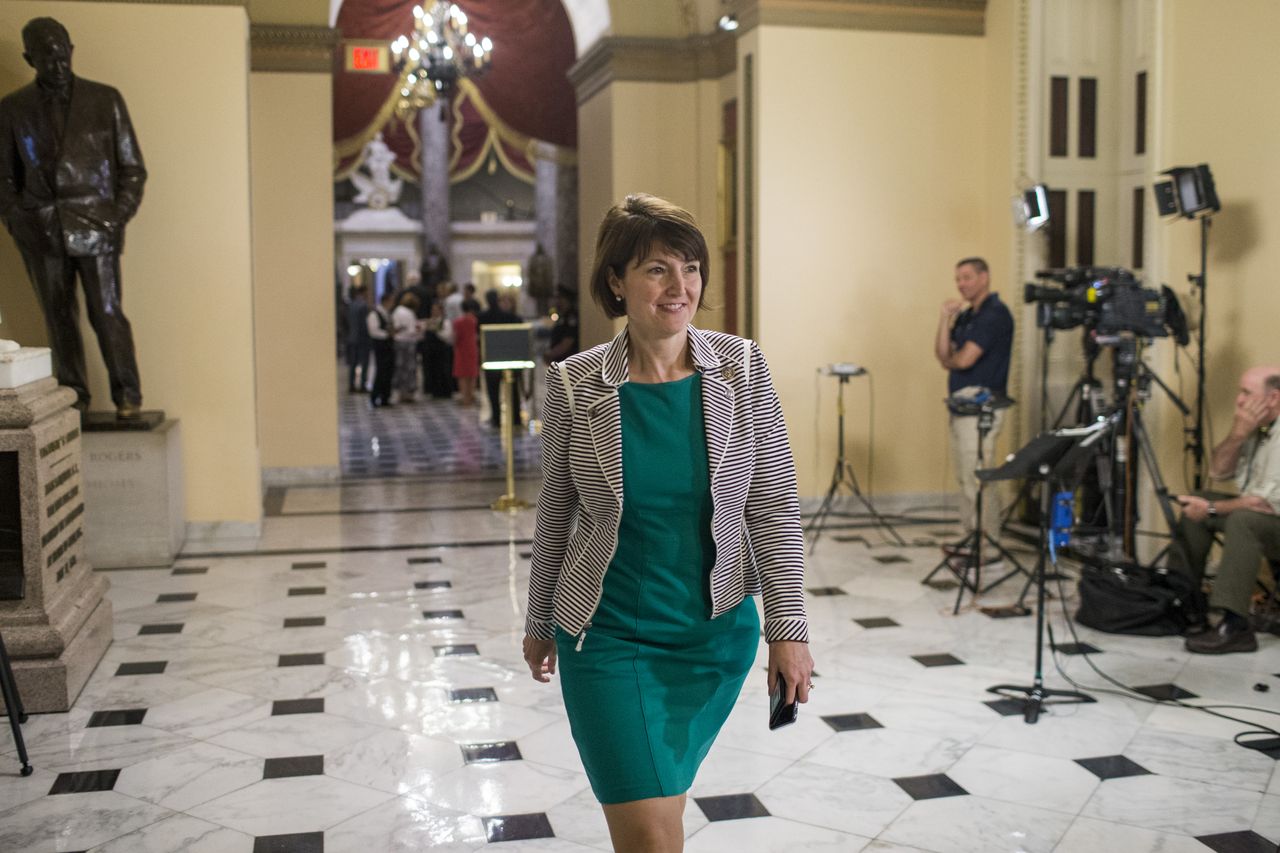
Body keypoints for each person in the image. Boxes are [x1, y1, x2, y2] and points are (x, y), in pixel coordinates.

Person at [522, 193, 813, 851]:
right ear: (617, 281)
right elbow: (556, 511)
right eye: (657, 269)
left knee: (661, 817)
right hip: (608, 635)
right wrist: (540, 621)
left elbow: (772, 503)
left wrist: (787, 627)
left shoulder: (741, 367)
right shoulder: (576, 382)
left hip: (713, 636)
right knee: (652, 834)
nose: (680, 287)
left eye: (691, 268)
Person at [0, 17, 147, 417]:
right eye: (46, 53)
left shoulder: (106, 100)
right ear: (30, 58)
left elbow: (132, 169)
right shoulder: (12, 109)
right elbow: (4, 178)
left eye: (62, 49)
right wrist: (18, 219)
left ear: (71, 49)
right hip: (42, 230)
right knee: (58, 316)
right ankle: (74, 397)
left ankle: (127, 394)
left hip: (98, 225)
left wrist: (116, 216)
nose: (57, 60)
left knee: (107, 313)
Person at [1172, 366, 1280, 654]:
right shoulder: (1260, 430)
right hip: (1265, 514)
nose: (1240, 401)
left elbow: (1264, 503)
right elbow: (1219, 472)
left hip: (1270, 515)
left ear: (1273, 398)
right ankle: (1183, 602)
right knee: (1197, 500)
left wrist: (1211, 508)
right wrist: (1238, 433)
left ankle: (1235, 625)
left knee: (1243, 520)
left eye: (1247, 393)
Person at [934, 257, 1014, 548]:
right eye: (957, 279)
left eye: (966, 277)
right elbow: (944, 356)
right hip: (960, 405)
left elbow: (964, 359)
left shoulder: (995, 314)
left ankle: (987, 542)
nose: (961, 284)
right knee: (963, 475)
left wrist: (953, 360)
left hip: (983, 406)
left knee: (978, 476)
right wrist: (944, 318)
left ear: (984, 277)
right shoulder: (968, 316)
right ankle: (969, 534)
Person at [478, 288, 523, 428]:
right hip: (511, 359)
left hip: (492, 358)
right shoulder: (511, 317)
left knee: (494, 391)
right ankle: (515, 418)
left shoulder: (483, 316)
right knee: (512, 390)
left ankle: (497, 419)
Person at [366, 288, 397, 407]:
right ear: (386, 301)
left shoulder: (387, 313)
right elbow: (373, 331)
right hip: (380, 346)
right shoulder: (374, 314)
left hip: (389, 345)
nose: (393, 303)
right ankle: (375, 397)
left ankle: (385, 397)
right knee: (381, 372)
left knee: (389, 371)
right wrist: (387, 334)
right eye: (391, 301)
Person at [392, 291, 422, 403]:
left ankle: (400, 391)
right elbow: (411, 330)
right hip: (409, 342)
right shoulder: (409, 313)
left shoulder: (397, 311)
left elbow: (396, 326)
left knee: (400, 366)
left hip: (398, 341)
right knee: (410, 367)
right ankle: (409, 392)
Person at [451, 297, 480, 406]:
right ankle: (471, 395)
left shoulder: (458, 322)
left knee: (462, 374)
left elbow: (456, 337)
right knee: (472, 374)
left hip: (461, 348)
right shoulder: (474, 320)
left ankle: (464, 398)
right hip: (472, 347)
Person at [345, 284, 372, 392]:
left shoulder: (351, 305)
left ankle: (351, 385)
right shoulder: (363, 306)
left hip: (352, 337)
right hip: (362, 338)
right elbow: (364, 325)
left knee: (353, 363)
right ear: (364, 292)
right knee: (364, 363)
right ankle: (362, 385)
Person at [543, 285, 580, 364]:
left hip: (568, 361)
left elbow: (567, 342)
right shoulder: (562, 317)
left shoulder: (571, 318)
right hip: (560, 362)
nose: (557, 302)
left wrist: (550, 354)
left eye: (560, 298)